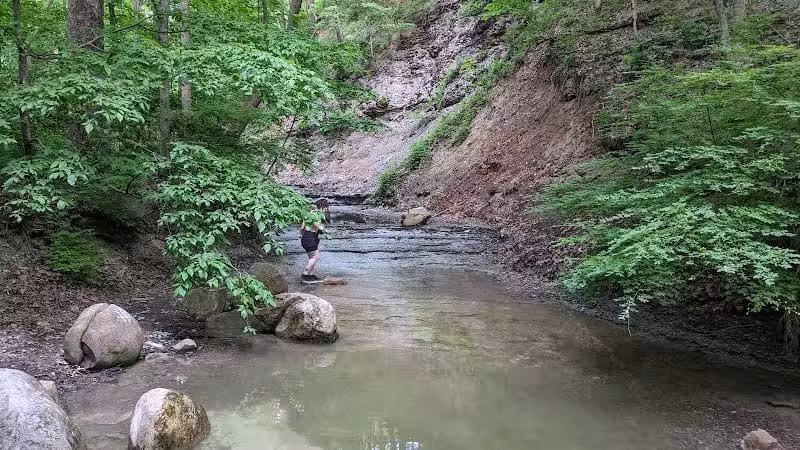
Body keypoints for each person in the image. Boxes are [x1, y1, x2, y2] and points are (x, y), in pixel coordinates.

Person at [300, 198, 330, 283]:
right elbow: (319, 227)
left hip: (306, 237)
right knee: (316, 257)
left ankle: (311, 275)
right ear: (323, 207)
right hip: (310, 237)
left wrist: (301, 235)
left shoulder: (309, 214)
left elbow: (302, 227)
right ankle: (305, 274)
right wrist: (323, 228)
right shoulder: (317, 215)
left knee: (312, 257)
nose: (327, 209)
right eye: (326, 207)